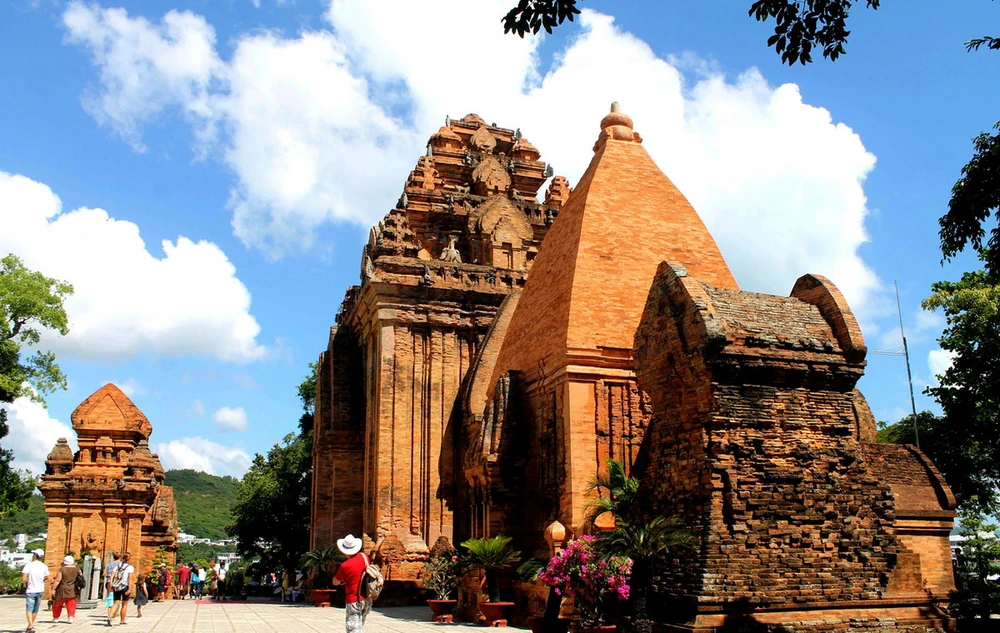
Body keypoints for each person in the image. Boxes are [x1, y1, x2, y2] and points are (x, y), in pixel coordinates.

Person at [332, 534, 371, 633]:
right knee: (359, 625)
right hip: (367, 597)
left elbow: (335, 582)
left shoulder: (345, 566)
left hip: (354, 600)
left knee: (353, 629)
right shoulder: (364, 557)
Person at [21, 549, 49, 633]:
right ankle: (30, 625)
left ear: (35, 555)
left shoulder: (29, 565)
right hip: (40, 589)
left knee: (29, 608)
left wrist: (27, 582)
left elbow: (24, 578)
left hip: (31, 589)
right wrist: (41, 580)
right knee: (35, 609)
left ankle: (31, 625)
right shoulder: (44, 566)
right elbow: (48, 577)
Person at [51, 554, 81, 624]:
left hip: (62, 588)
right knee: (71, 603)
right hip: (72, 587)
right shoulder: (77, 569)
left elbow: (58, 579)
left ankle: (56, 617)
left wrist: (53, 589)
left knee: (58, 603)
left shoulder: (62, 569)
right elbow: (80, 577)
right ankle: (70, 617)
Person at [108, 552, 135, 626]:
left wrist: (111, 583)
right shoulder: (130, 567)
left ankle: (110, 616)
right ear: (129, 558)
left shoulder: (118, 566)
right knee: (124, 604)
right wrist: (129, 588)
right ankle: (122, 621)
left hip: (116, 586)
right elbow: (130, 578)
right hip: (124, 586)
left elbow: (112, 576)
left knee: (116, 602)